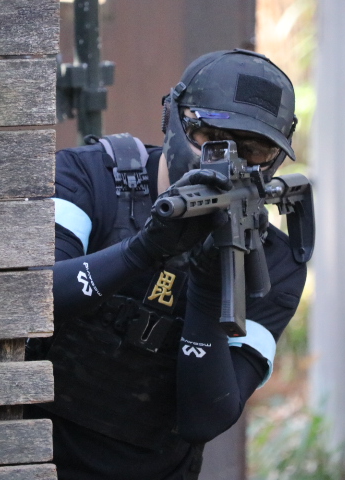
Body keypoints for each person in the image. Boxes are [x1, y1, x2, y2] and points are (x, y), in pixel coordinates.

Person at [25, 49, 310, 480]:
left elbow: (205, 418)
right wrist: (141, 250)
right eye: (210, 136)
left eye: (254, 151)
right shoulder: (88, 179)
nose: (227, 161)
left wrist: (209, 289)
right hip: (14, 455)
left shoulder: (272, 262)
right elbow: (29, 302)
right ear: (172, 119)